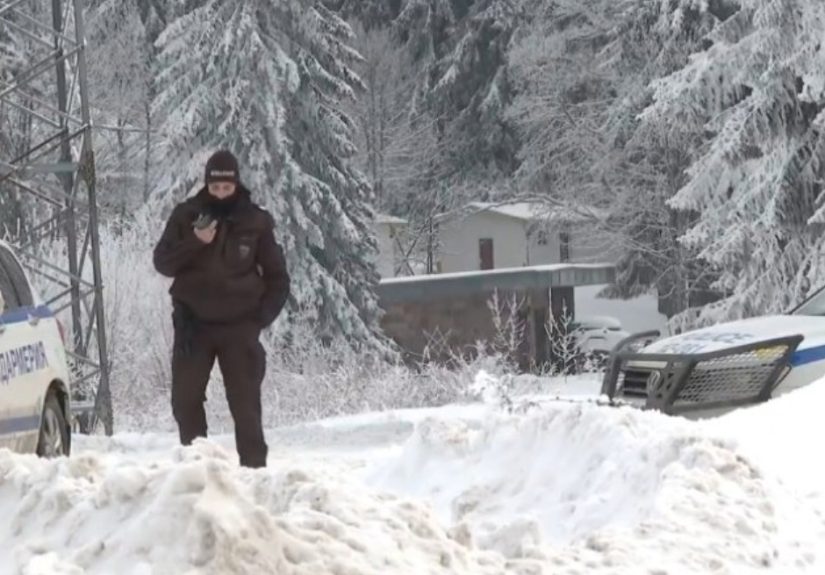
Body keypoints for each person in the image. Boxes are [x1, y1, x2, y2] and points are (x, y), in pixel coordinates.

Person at [153, 150, 290, 468]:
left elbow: (278, 278)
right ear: (207, 185)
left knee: (245, 405)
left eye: (226, 188)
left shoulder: (255, 221)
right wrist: (195, 241)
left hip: (239, 325)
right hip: (194, 325)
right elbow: (163, 263)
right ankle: (197, 468)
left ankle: (254, 473)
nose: (220, 194)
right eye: (215, 188)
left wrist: (259, 319)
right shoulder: (187, 215)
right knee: (185, 400)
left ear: (236, 185)